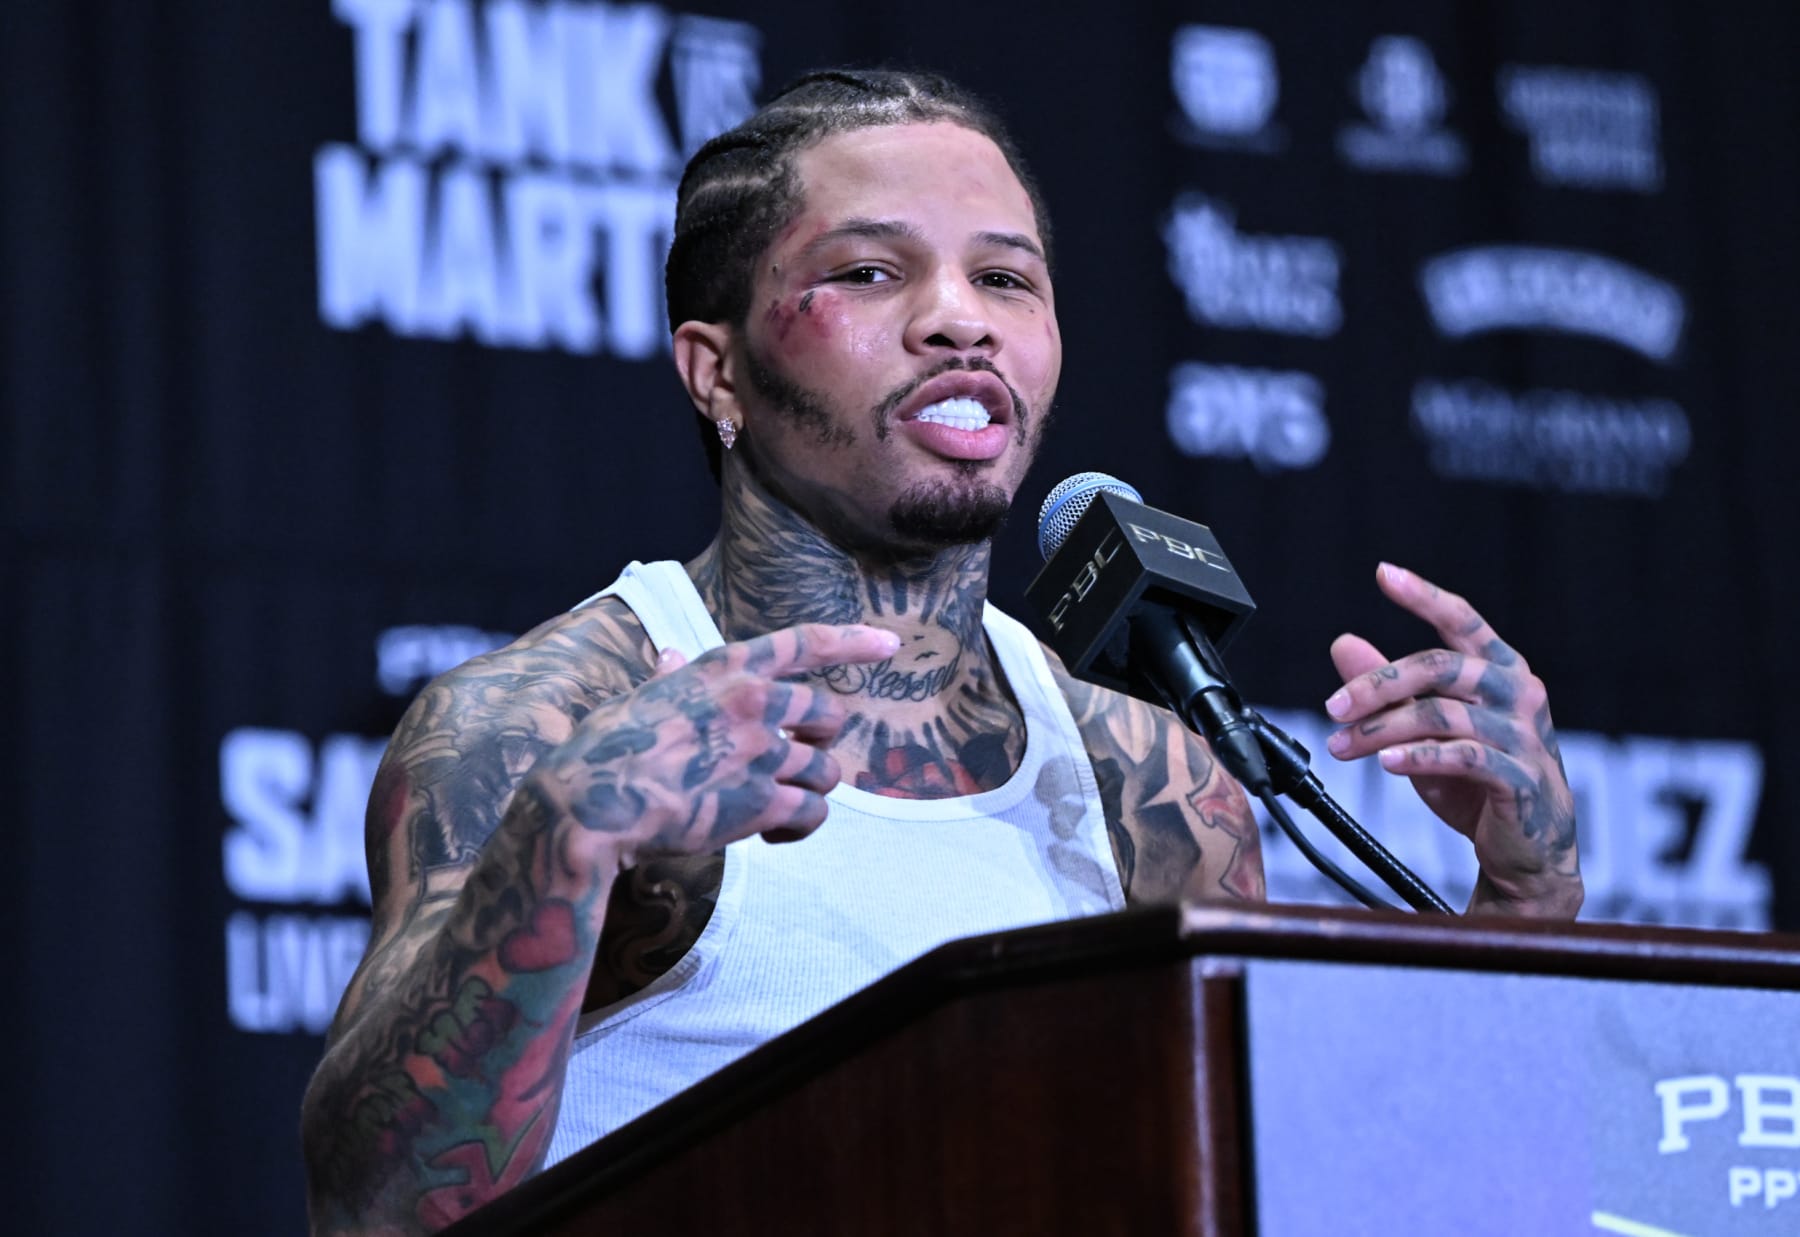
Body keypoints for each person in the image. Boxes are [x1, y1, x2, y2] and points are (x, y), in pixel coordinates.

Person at [299, 68, 1581, 1234]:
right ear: (716, 372)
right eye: (870, 273)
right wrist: (567, 837)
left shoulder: (1155, 776)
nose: (957, 321)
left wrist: (1522, 904)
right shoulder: (545, 719)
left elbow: (1308, 1192)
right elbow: (379, 1213)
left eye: (1005, 278)